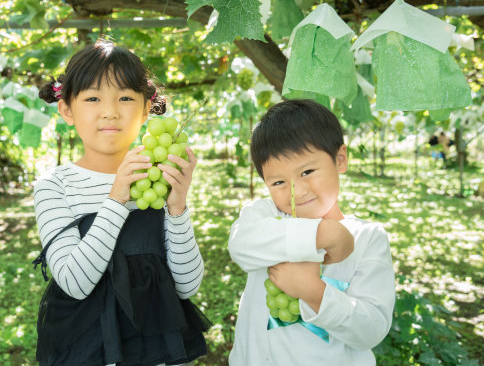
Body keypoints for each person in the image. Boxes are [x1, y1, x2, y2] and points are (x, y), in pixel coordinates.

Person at [32, 40, 210, 366]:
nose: (110, 111)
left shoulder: (154, 180)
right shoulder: (54, 186)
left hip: (154, 347)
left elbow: (187, 286)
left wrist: (177, 207)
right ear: (67, 109)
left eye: (126, 97)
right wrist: (116, 199)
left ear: (146, 109)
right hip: (84, 349)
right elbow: (74, 282)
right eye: (93, 98)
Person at [227, 99, 395, 366]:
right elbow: (239, 245)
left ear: (340, 159)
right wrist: (321, 234)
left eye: (307, 171)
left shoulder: (366, 239)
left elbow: (371, 329)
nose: (297, 192)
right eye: (279, 182)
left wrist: (314, 292)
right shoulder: (264, 215)